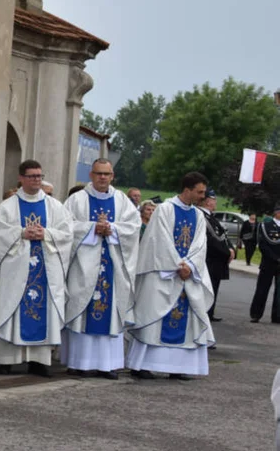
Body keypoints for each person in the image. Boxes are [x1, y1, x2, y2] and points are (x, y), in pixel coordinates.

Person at [0, 160, 72, 377]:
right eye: (31, 176)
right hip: (16, 272)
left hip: (45, 272)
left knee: (44, 310)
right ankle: (5, 360)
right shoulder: (7, 207)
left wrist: (46, 235)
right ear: (21, 178)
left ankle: (39, 362)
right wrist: (20, 234)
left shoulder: (54, 207)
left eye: (39, 176)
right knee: (10, 309)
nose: (36, 180)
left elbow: (67, 235)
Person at [127, 172, 213, 380]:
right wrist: (177, 265)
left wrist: (190, 266)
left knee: (187, 320)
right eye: (199, 192)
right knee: (153, 316)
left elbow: (200, 244)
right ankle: (143, 365)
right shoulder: (165, 209)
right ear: (187, 190)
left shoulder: (198, 215)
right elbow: (159, 240)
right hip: (163, 273)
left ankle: (178, 366)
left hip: (186, 276)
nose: (203, 196)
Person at [62, 159, 140, 379]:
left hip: (112, 266)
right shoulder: (76, 200)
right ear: (91, 174)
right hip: (83, 267)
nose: (103, 177)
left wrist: (112, 229)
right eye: (98, 173)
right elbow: (65, 227)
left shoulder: (122, 201)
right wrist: (91, 228)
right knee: (81, 310)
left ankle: (108, 365)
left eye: (107, 174)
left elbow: (133, 228)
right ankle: (78, 363)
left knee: (111, 312)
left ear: (113, 176)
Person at [198, 189, 234, 322]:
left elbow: (222, 236)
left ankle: (210, 312)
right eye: (214, 200)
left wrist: (231, 248)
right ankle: (205, 313)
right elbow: (211, 240)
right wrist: (226, 252)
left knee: (214, 287)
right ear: (208, 201)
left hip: (217, 261)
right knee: (209, 287)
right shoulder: (201, 216)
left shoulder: (211, 217)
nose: (215, 202)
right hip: (210, 260)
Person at [251, 206, 280, 324]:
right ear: (277, 213)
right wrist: (276, 258)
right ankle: (256, 314)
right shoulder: (265, 226)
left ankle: (277, 316)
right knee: (262, 289)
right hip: (268, 262)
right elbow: (263, 245)